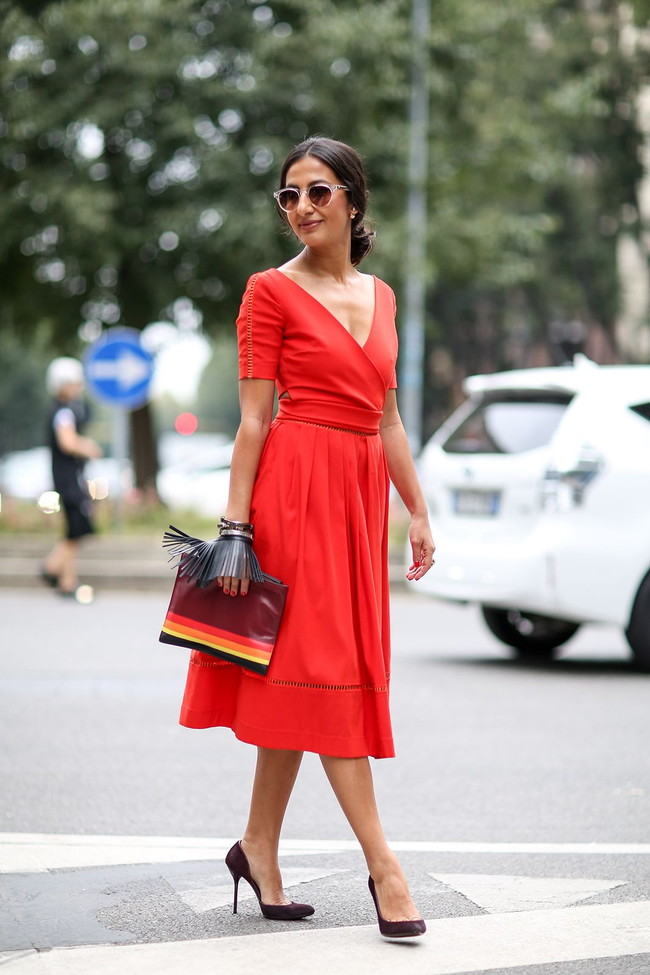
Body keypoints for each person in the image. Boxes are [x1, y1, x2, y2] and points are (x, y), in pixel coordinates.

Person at [179, 137, 436, 939]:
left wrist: (418, 509)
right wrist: (235, 529)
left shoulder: (382, 297)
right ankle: (385, 866)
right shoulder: (268, 292)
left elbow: (387, 420)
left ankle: (257, 845)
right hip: (294, 496)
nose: (302, 207)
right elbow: (254, 421)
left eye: (318, 191)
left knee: (300, 679)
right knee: (325, 674)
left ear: (353, 200)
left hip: (358, 501)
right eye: (288, 195)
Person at [42, 357, 102, 597]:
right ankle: (51, 567)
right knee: (79, 528)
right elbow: (67, 442)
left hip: (65, 478)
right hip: (69, 480)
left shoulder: (61, 410)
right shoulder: (64, 412)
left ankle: (67, 580)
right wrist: (88, 447)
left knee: (71, 530)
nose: (78, 388)